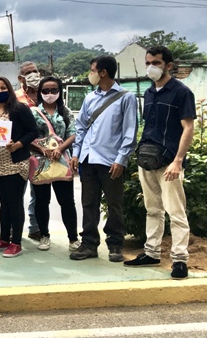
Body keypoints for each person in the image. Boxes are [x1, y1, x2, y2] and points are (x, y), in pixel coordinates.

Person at [124, 46, 196, 280]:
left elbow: (188, 128)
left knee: (176, 212)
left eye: (155, 63)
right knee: (152, 210)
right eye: (147, 63)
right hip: (147, 159)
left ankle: (180, 260)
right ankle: (152, 252)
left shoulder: (181, 92)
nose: (150, 67)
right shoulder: (149, 92)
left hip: (169, 163)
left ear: (169, 66)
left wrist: (178, 161)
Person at [69, 55, 138, 262]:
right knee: (88, 202)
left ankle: (115, 244)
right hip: (88, 159)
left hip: (111, 161)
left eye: (92, 70)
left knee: (114, 203)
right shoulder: (90, 98)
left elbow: (129, 132)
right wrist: (76, 154)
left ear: (103, 72)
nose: (90, 74)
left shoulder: (126, 97)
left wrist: (121, 159)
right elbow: (80, 128)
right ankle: (89, 243)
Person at [0, 77, 39, 258]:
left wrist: (18, 145)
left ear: (9, 89)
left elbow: (33, 131)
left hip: (15, 163)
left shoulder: (19, 109)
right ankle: (4, 239)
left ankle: (16, 242)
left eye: (2, 87)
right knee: (4, 202)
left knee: (14, 203)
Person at [29, 76, 79, 251]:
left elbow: (73, 134)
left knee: (67, 201)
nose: (49, 94)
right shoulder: (32, 112)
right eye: (45, 90)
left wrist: (61, 148)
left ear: (60, 91)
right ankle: (44, 235)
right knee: (41, 201)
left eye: (54, 90)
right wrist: (41, 149)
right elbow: (27, 135)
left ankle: (73, 238)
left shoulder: (66, 112)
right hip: (39, 161)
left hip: (62, 161)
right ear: (39, 92)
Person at [15, 61, 43, 241]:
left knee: (39, 194)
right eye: (28, 72)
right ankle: (13, 229)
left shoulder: (47, 94)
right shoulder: (16, 98)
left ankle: (36, 228)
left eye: (35, 71)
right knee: (17, 193)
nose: (33, 75)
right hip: (22, 150)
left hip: (45, 153)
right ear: (20, 78)